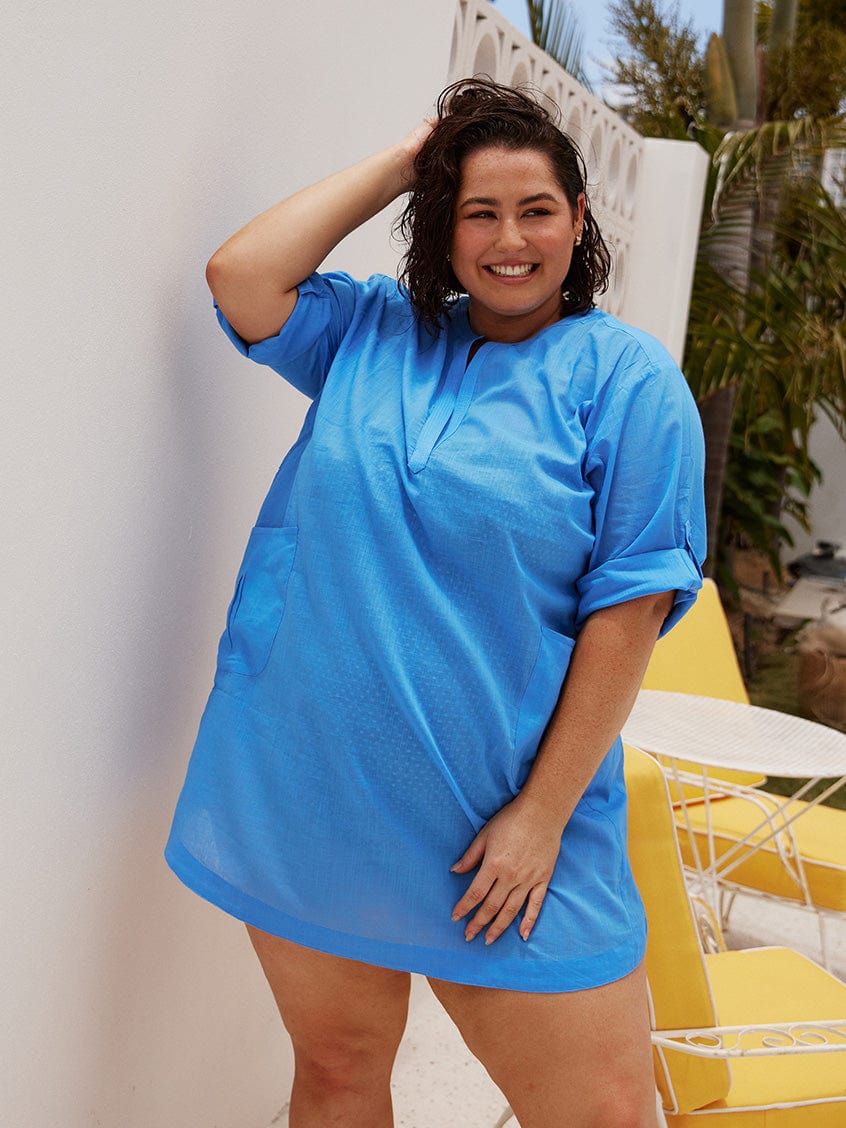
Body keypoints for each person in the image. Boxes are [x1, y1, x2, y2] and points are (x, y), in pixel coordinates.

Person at [166, 78, 706, 1127]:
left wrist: (540, 820)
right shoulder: (370, 333)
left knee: (601, 1114)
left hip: (501, 832)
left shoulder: (629, 383)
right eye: (477, 210)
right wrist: (408, 157)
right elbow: (241, 276)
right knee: (335, 1077)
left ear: (580, 220)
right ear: (440, 226)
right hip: (314, 798)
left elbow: (629, 612)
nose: (511, 238)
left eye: (537, 208)